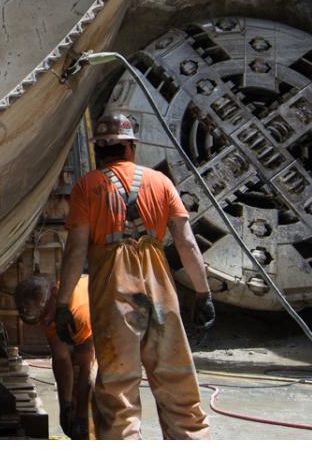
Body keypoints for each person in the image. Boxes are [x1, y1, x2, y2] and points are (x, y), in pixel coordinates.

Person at [55, 113, 215, 440]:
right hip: (159, 283)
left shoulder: (88, 187)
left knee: (118, 387)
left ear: (99, 151)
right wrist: (203, 293)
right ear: (131, 146)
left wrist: (62, 301)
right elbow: (186, 242)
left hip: (115, 285)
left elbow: (75, 251)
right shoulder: (161, 182)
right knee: (176, 378)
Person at [15, 274, 94, 438]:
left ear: (55, 295)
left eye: (44, 318)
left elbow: (88, 366)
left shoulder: (79, 310)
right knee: (73, 396)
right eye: (39, 321)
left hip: (109, 335)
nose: (43, 324)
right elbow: (61, 358)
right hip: (78, 329)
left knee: (97, 390)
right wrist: (65, 405)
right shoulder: (47, 310)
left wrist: (80, 416)